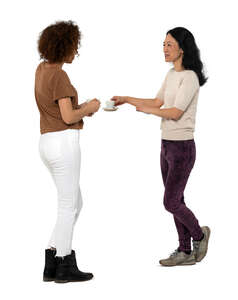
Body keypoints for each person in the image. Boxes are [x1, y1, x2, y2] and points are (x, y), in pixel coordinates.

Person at [111, 27, 210, 267]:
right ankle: (185, 250)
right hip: (166, 145)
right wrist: (127, 99)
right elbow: (157, 101)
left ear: (182, 49)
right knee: (177, 199)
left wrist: (148, 111)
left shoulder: (190, 77)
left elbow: (175, 113)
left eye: (169, 44)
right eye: (163, 44)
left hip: (182, 148)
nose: (164, 49)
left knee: (171, 202)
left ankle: (200, 235)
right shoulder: (171, 75)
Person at [35, 20, 100, 282]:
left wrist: (80, 108)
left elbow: (59, 110)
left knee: (74, 203)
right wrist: (90, 107)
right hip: (63, 143)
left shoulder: (41, 69)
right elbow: (68, 115)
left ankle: (52, 260)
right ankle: (64, 264)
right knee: (68, 205)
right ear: (65, 47)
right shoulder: (59, 75)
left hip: (47, 142)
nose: (76, 52)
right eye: (75, 47)